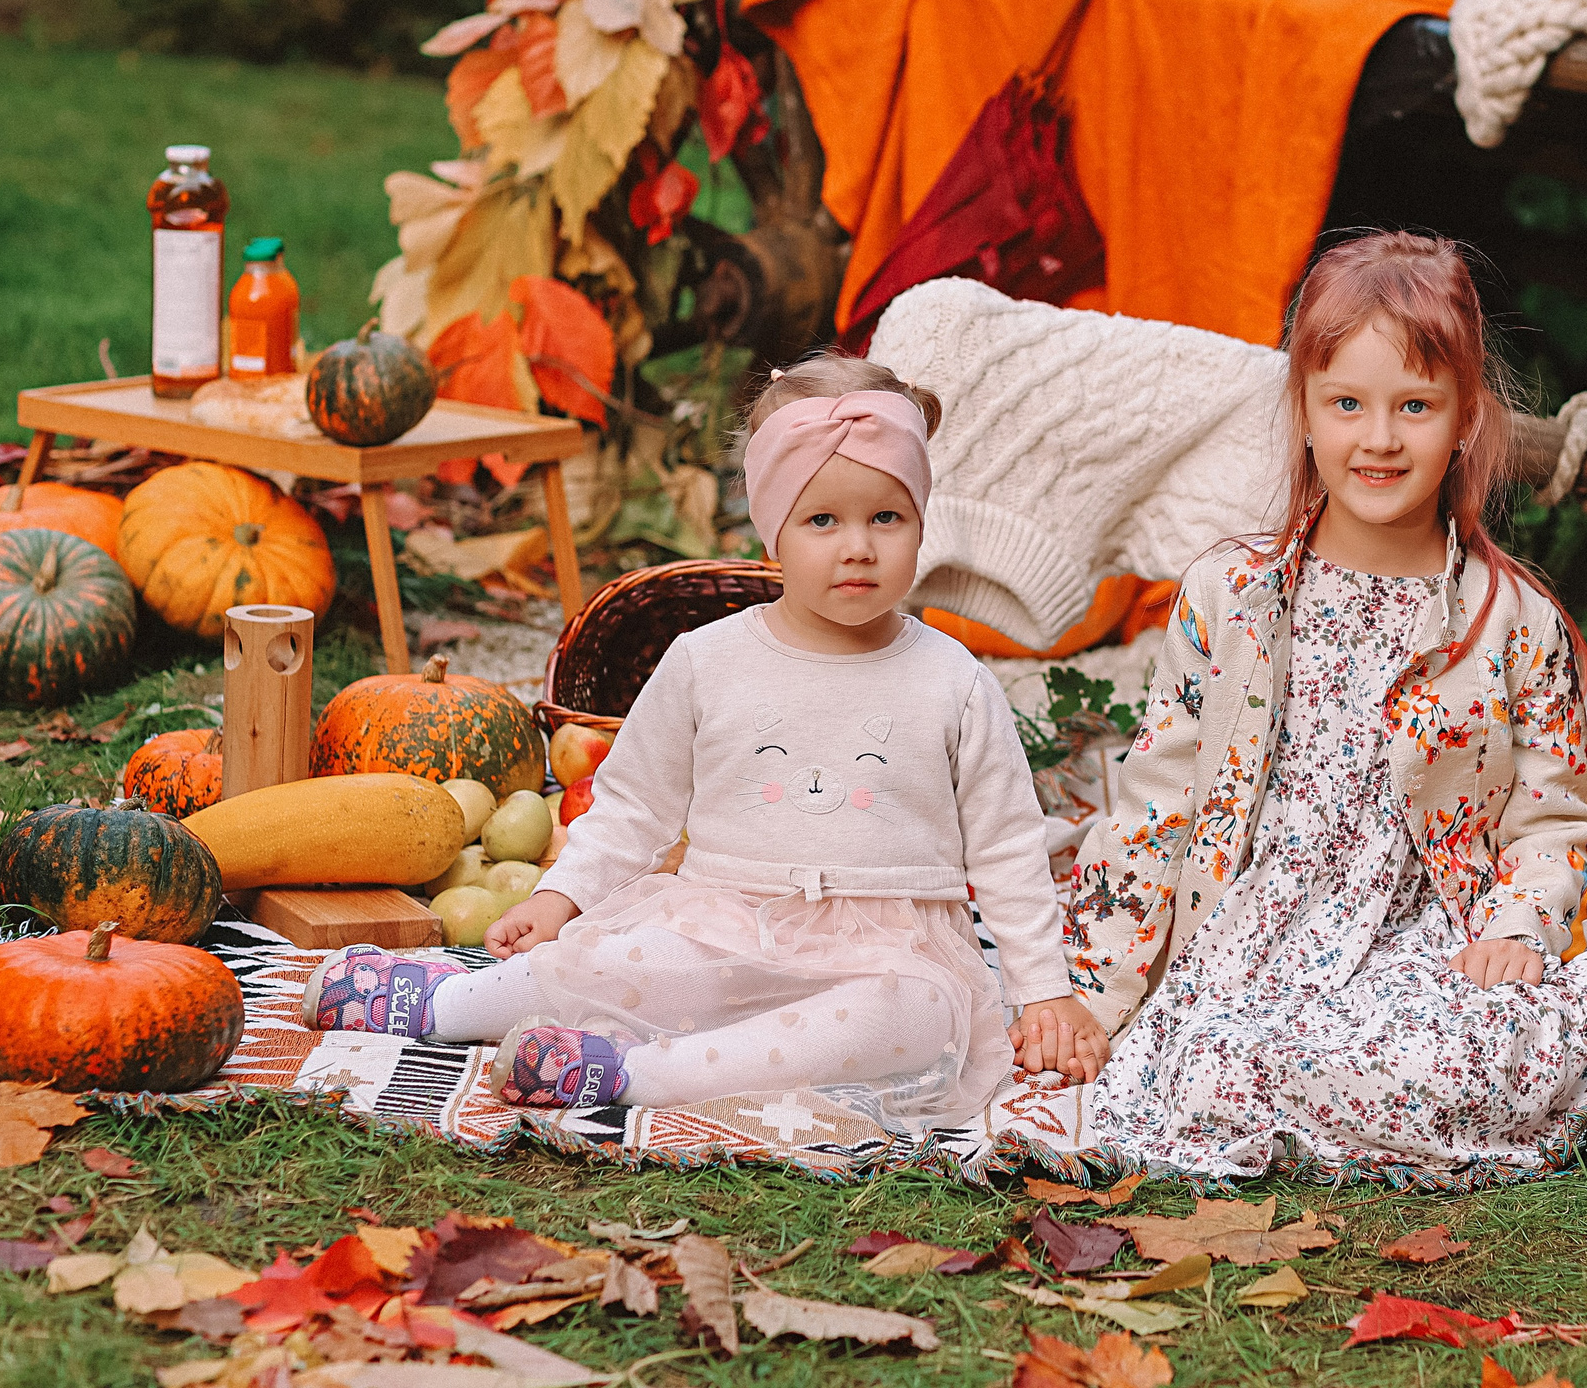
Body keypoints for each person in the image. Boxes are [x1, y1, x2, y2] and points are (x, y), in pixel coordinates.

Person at [1050, 230, 1587, 1181]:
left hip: (1423, 944)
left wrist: (1517, 921)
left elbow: (1555, 818)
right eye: (1347, 404)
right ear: (1303, 411)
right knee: (1202, 1076)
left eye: (1414, 405)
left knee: (1438, 1056)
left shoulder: (1512, 621)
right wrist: (1095, 990)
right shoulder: (1230, 596)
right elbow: (1154, 804)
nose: (1378, 438)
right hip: (1254, 944)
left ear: (1465, 420)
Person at [298, 354, 1108, 1123]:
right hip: (723, 924)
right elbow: (633, 807)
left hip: (885, 950)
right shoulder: (708, 660)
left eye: (886, 516)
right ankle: (446, 1003)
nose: (858, 544)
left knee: (920, 1016)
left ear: (922, 526)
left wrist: (1042, 989)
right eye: (822, 518)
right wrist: (561, 896)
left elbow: (1006, 846)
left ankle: (634, 1074)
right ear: (770, 534)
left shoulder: (952, 679)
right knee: (611, 960)